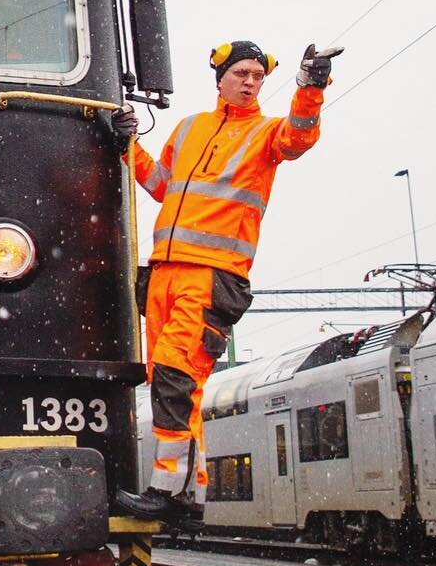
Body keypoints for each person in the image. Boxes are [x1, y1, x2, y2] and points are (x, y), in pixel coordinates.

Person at [111, 39, 341, 524]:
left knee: (175, 373)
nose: (251, 82)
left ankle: (166, 489)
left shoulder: (265, 134)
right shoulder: (190, 127)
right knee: (171, 381)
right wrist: (128, 145)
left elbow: (299, 138)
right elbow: (159, 184)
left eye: (259, 76)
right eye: (242, 73)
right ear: (220, 78)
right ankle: (187, 493)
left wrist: (311, 87)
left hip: (213, 276)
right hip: (166, 271)